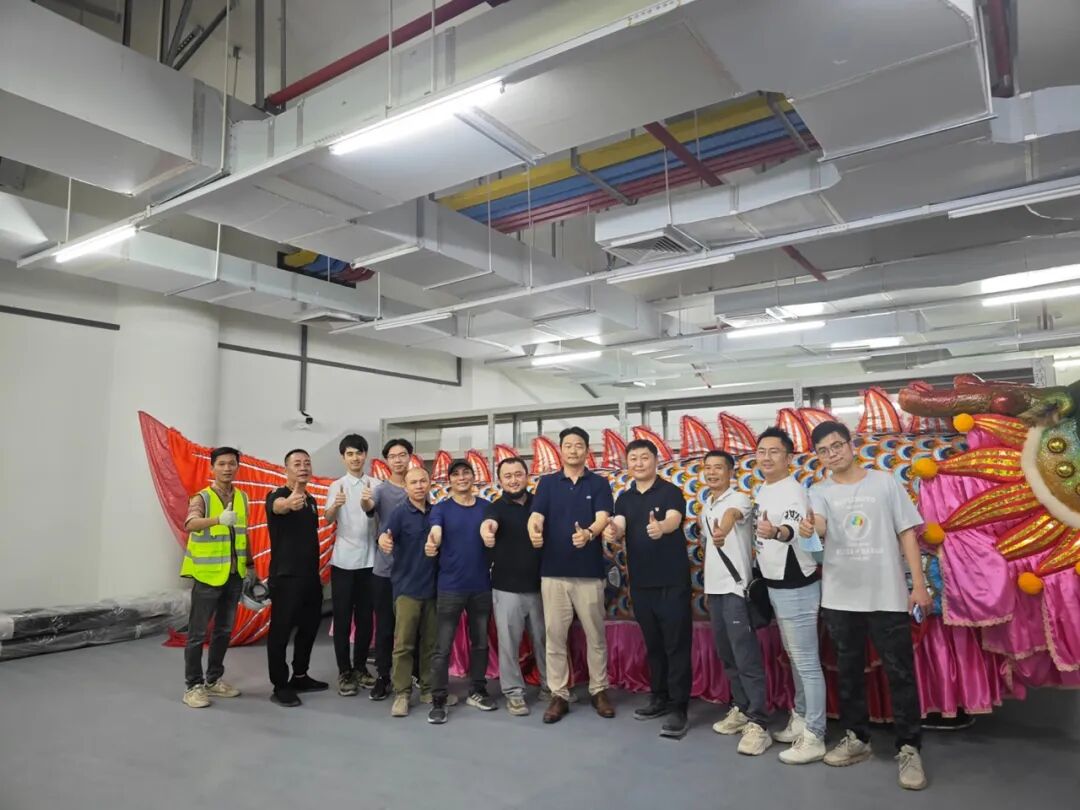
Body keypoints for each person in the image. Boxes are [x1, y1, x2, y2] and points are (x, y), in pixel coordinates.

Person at [803, 420, 931, 790]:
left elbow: (907, 532)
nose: (832, 454)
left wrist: (918, 584)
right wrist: (812, 529)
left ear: (850, 444)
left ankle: (909, 747)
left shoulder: (884, 482)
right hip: (840, 596)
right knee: (848, 672)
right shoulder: (819, 491)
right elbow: (820, 525)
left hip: (886, 594)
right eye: (823, 451)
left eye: (836, 445)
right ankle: (857, 737)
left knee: (900, 673)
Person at [528, 426, 616, 724]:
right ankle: (559, 694)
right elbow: (536, 515)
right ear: (561, 450)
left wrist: (590, 533)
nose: (573, 450)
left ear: (587, 450)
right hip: (553, 573)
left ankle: (599, 690)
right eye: (568, 445)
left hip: (589, 573)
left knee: (596, 635)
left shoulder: (599, 483)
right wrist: (534, 530)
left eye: (579, 445)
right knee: (555, 636)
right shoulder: (547, 483)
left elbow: (603, 516)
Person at [605, 439, 692, 739]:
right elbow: (619, 524)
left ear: (656, 460)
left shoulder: (670, 491)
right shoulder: (625, 498)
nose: (639, 463)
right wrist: (613, 530)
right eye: (633, 459)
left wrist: (661, 528)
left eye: (644, 457)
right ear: (627, 463)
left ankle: (679, 707)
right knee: (653, 645)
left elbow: (674, 519)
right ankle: (659, 697)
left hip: (672, 582)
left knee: (676, 645)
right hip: (641, 584)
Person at [753, 427, 826, 763]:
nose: (767, 457)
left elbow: (794, 529)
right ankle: (801, 717)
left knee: (806, 661)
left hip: (796, 583)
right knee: (796, 657)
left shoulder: (793, 491)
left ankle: (815, 733)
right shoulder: (765, 488)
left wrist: (777, 532)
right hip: (775, 583)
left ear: (788, 457)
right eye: (762, 451)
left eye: (774, 451)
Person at [699, 450, 772, 756]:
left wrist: (723, 529)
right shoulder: (706, 504)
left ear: (731, 472)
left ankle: (759, 721)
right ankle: (741, 708)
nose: (712, 472)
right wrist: (708, 587)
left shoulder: (738, 499)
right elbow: (711, 550)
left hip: (735, 590)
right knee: (727, 654)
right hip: (715, 591)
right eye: (708, 468)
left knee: (745, 656)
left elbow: (732, 516)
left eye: (719, 467)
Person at [180, 446, 254, 708]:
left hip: (234, 575)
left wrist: (250, 566)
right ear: (212, 468)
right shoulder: (201, 497)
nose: (227, 468)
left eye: (232, 463)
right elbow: (190, 524)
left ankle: (213, 680)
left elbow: (244, 534)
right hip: (207, 575)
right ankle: (193, 686)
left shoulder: (242, 497)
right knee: (197, 633)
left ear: (237, 467)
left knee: (223, 630)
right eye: (221, 464)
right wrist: (218, 520)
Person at [426, 459, 496, 724]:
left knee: (480, 643)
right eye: (456, 474)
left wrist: (490, 534)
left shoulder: (486, 507)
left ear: (473, 477)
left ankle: (477, 690)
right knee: (442, 647)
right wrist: (433, 540)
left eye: (466, 473)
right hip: (450, 587)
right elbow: (435, 530)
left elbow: (492, 528)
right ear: (450, 480)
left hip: (481, 586)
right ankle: (439, 699)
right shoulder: (441, 509)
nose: (462, 478)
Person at [480, 456, 548, 716]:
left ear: (527, 476)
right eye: (507, 476)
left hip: (542, 586)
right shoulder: (495, 508)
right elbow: (489, 523)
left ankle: (551, 687)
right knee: (509, 644)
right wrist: (487, 531)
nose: (514, 480)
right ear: (500, 481)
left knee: (546, 641)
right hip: (506, 588)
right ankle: (514, 693)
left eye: (518, 474)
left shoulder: (540, 505)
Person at [265, 449, 328, 707]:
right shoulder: (277, 495)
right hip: (286, 577)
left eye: (307, 463)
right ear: (286, 469)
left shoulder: (311, 500)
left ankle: (300, 675)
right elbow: (278, 507)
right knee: (280, 631)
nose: (303, 467)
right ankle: (280, 685)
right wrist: (288, 504)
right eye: (297, 464)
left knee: (309, 627)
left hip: (310, 577)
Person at [378, 466, 439, 718]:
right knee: (403, 644)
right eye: (413, 482)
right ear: (406, 486)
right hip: (407, 589)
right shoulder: (399, 513)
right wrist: (383, 540)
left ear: (430, 483)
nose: (419, 486)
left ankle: (428, 688)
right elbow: (384, 536)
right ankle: (402, 693)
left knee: (430, 644)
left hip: (434, 589)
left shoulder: (437, 513)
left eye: (423, 481)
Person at [324, 434, 379, 697]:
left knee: (366, 618)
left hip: (370, 561)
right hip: (343, 562)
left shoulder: (376, 485)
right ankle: (344, 671)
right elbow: (327, 519)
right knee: (343, 618)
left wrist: (370, 505)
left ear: (365, 455)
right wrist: (335, 506)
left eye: (359, 453)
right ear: (343, 457)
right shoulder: (336, 486)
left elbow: (381, 518)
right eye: (350, 454)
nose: (355, 458)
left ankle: (360, 667)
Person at [364, 437, 413, 701]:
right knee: (385, 627)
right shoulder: (380, 490)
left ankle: (413, 673)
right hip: (385, 571)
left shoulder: (419, 486)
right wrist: (365, 503)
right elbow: (369, 508)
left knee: (413, 626)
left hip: (414, 570)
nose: (398, 460)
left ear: (410, 457)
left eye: (402, 454)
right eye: (393, 456)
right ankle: (383, 676)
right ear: (387, 461)